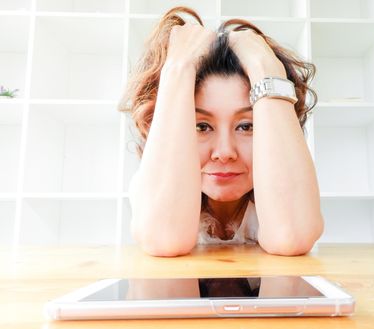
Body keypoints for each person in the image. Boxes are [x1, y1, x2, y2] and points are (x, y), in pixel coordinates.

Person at [118, 6, 324, 257]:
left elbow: (292, 237)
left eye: (246, 126)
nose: (224, 153)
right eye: (201, 126)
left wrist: (265, 69)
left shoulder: (292, 182)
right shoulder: (151, 183)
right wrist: (177, 70)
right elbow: (164, 240)